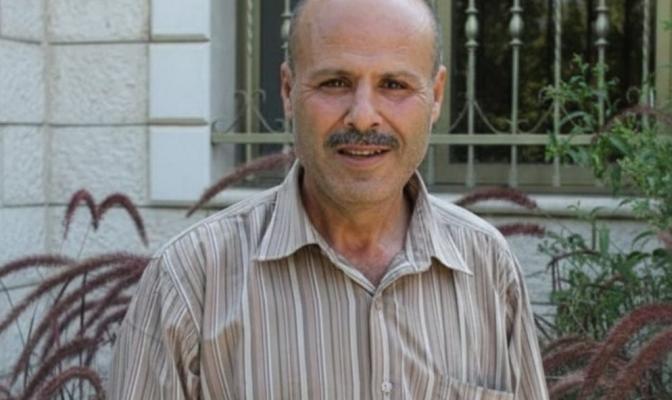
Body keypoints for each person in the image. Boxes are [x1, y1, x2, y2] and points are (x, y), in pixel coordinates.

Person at [108, 0, 549, 398]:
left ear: (434, 97)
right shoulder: (190, 282)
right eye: (336, 82)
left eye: (394, 84)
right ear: (288, 91)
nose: (363, 117)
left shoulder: (487, 266)